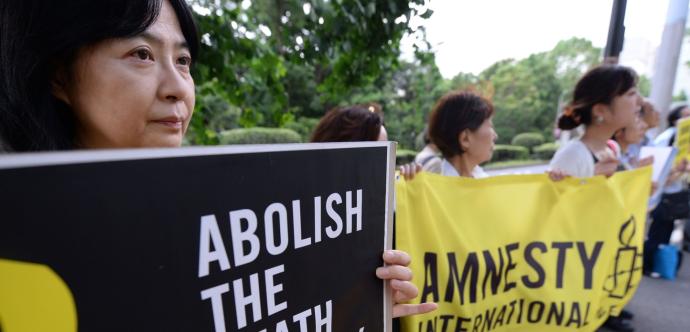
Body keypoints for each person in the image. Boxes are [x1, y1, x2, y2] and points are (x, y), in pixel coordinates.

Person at [0, 0, 434, 319]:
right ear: (60, 75)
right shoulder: (23, 250)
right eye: (142, 55)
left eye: (184, 61)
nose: (177, 88)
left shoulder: (219, 218)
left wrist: (353, 311)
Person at [549, 64, 641, 332]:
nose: (638, 101)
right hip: (574, 271)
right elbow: (553, 221)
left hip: (598, 262)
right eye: (631, 93)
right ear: (601, 111)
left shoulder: (610, 148)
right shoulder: (573, 155)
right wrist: (590, 188)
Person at [643, 104, 690, 278]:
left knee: (664, 232)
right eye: (685, 115)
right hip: (661, 195)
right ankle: (645, 266)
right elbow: (659, 173)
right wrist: (677, 171)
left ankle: (652, 265)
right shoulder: (667, 138)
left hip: (671, 194)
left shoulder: (680, 140)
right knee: (656, 233)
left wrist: (680, 170)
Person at [426, 91, 497, 178]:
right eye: (490, 126)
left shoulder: (484, 180)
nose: (495, 136)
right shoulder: (432, 187)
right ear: (465, 139)